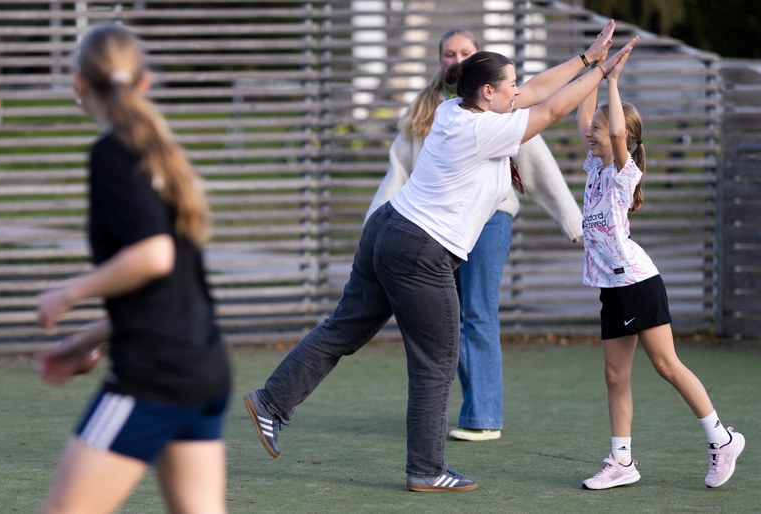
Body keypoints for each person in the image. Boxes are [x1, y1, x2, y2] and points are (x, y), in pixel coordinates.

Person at [243, 21, 635, 492]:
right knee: (437, 359)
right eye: (510, 85)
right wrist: (602, 74)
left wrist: (587, 60)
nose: (518, 90)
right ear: (488, 92)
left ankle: (270, 402)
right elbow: (549, 109)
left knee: (344, 328)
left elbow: (535, 92)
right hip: (419, 250)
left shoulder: (455, 109)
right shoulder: (480, 130)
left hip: (387, 230)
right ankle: (426, 470)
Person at [34, 23, 232, 513]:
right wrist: (85, 340)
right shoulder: (160, 153)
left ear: (79, 84)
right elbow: (168, 288)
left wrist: (68, 293)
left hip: (152, 378)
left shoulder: (113, 153)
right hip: (203, 369)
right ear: (144, 82)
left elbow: (154, 256)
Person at [365, 28, 584, 442]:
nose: (457, 58)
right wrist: (377, 221)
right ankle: (468, 407)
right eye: (449, 53)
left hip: (490, 221)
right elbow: (400, 172)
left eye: (465, 52)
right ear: (441, 60)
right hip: (432, 227)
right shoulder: (432, 111)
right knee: (449, 321)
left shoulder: (498, 109)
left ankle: (483, 416)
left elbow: (538, 162)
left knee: (478, 315)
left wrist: (571, 221)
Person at [574, 44, 745, 490]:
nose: (589, 133)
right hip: (611, 287)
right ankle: (622, 462)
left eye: (598, 128)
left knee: (667, 365)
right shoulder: (593, 167)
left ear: (621, 139)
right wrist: (593, 66)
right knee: (615, 374)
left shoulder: (622, 172)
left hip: (637, 281)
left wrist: (612, 82)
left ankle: (722, 439)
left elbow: (611, 128)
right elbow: (582, 113)